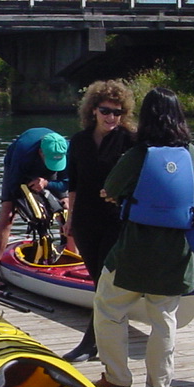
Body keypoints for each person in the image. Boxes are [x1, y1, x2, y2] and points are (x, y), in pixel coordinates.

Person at [90, 87, 194, 387]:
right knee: (164, 318)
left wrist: (114, 195)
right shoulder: (190, 152)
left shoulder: (139, 154)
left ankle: (117, 376)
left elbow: (110, 188)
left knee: (108, 308)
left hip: (135, 250)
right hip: (177, 250)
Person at [61, 81, 137, 363]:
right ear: (93, 110)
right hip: (84, 220)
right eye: (106, 111)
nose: (111, 118)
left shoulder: (129, 140)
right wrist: (69, 220)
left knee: (106, 284)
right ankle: (101, 339)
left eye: (117, 112)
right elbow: (74, 184)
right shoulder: (79, 141)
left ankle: (90, 342)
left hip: (115, 221)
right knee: (97, 282)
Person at [0, 127, 69, 289]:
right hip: (19, 167)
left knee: (67, 208)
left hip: (46, 170)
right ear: (40, 152)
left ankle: (72, 257)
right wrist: (33, 208)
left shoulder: (65, 149)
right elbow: (14, 188)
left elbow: (68, 182)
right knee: (8, 214)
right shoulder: (23, 152)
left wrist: (47, 185)